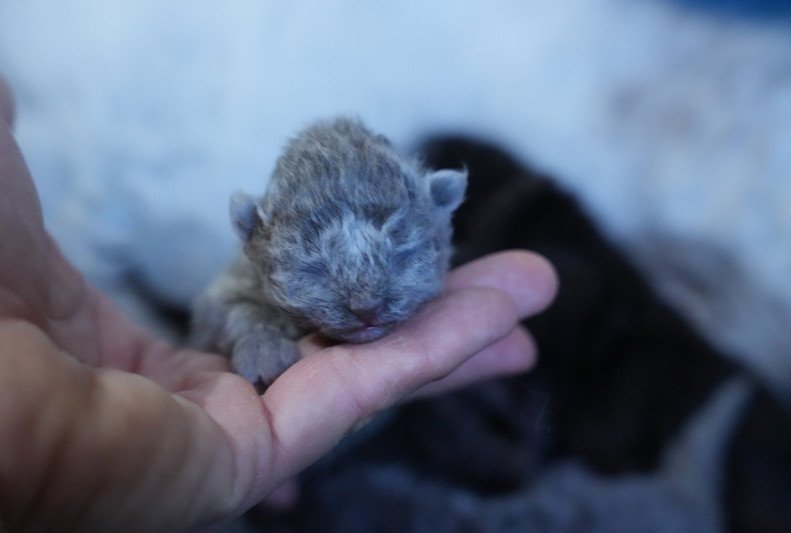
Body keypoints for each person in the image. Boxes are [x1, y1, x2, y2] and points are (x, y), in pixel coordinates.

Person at [0, 77, 557, 531]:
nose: (364, 302)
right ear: (253, 236)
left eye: (399, 250)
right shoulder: (250, 268)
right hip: (229, 417)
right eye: (314, 265)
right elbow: (214, 308)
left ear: (442, 209)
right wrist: (250, 330)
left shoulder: (433, 236)